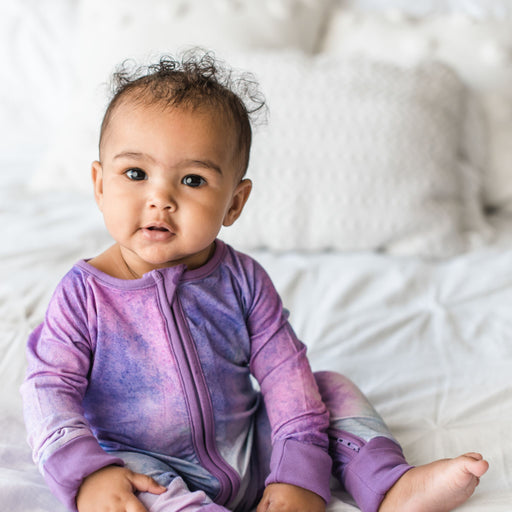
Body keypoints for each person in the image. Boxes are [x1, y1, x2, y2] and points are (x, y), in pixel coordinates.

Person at [21, 50, 488, 512]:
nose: (160, 198)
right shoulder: (83, 296)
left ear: (234, 203)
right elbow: (48, 389)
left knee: (328, 387)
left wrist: (298, 474)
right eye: (136, 173)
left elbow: (286, 375)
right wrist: (88, 472)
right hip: (145, 463)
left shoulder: (242, 280)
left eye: (193, 180)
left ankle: (389, 485)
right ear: (101, 185)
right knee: (128, 488)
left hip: (250, 450)